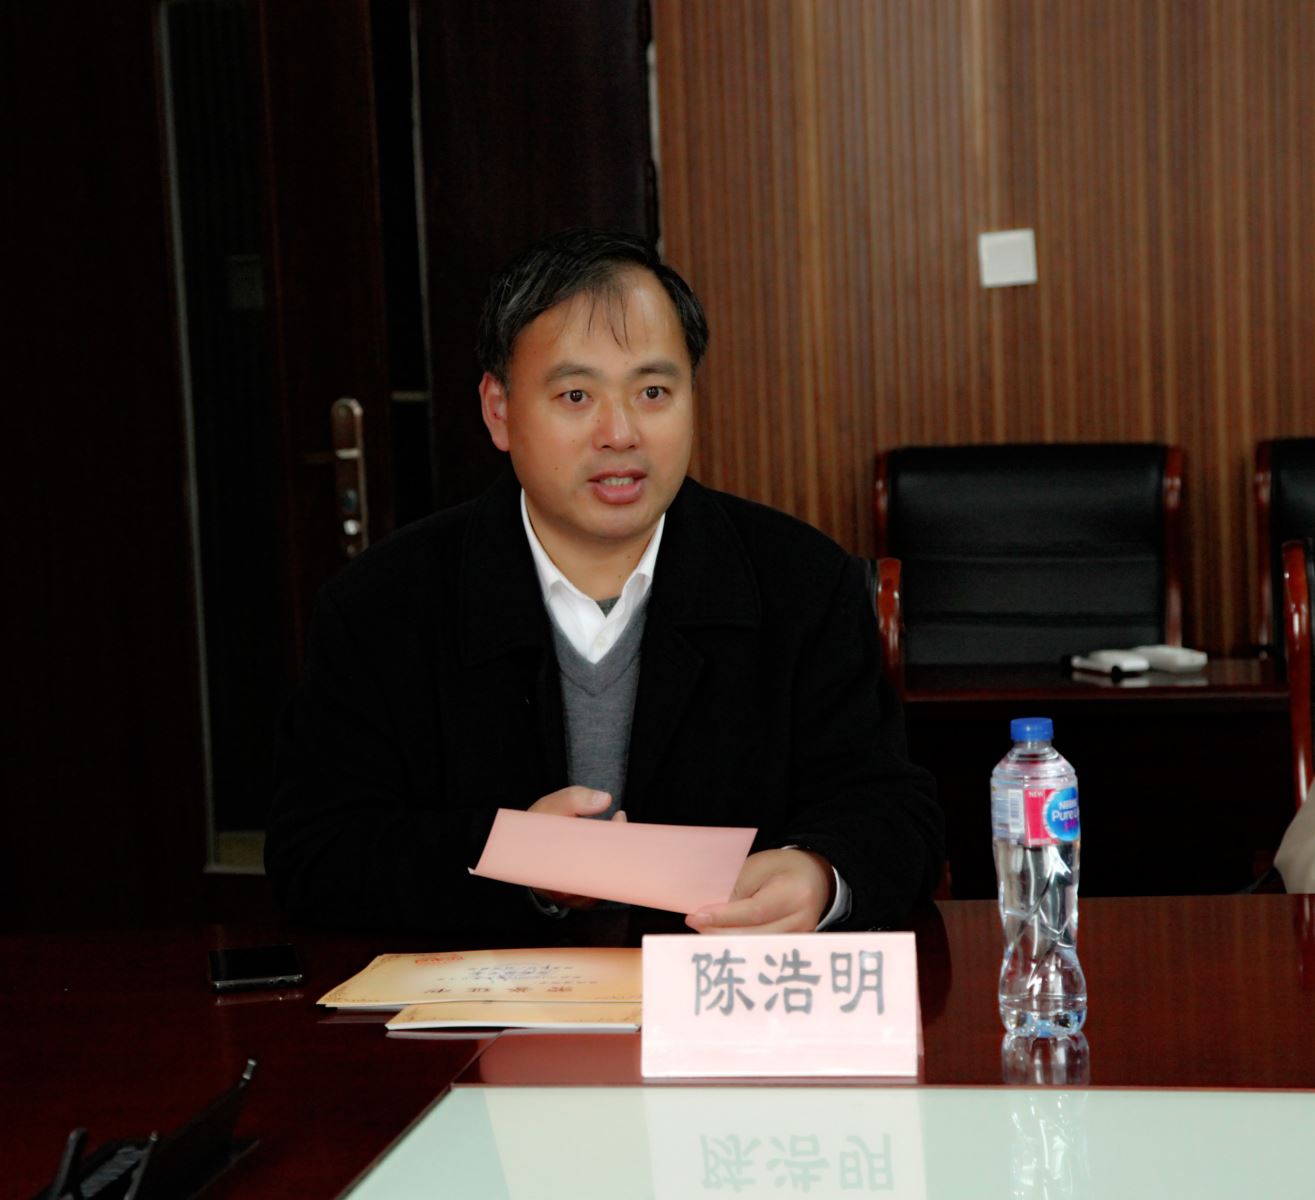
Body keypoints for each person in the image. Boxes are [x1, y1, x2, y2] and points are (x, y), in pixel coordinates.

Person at [266, 228, 942, 936]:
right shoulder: (381, 605)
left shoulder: (801, 582)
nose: (620, 432)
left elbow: (895, 812)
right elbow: (313, 854)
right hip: (489, 997)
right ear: (499, 410)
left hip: (716, 992)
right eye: (575, 395)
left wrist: (821, 875)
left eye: (652, 391)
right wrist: (509, 856)